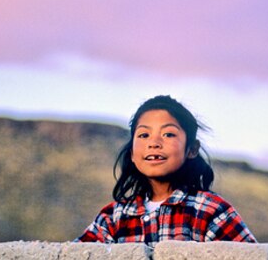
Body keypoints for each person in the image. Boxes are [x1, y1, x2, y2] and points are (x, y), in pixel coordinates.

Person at [76, 95, 256, 243]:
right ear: (132, 152)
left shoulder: (210, 210)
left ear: (192, 149)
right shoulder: (113, 218)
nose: (154, 143)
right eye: (144, 135)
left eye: (168, 134)